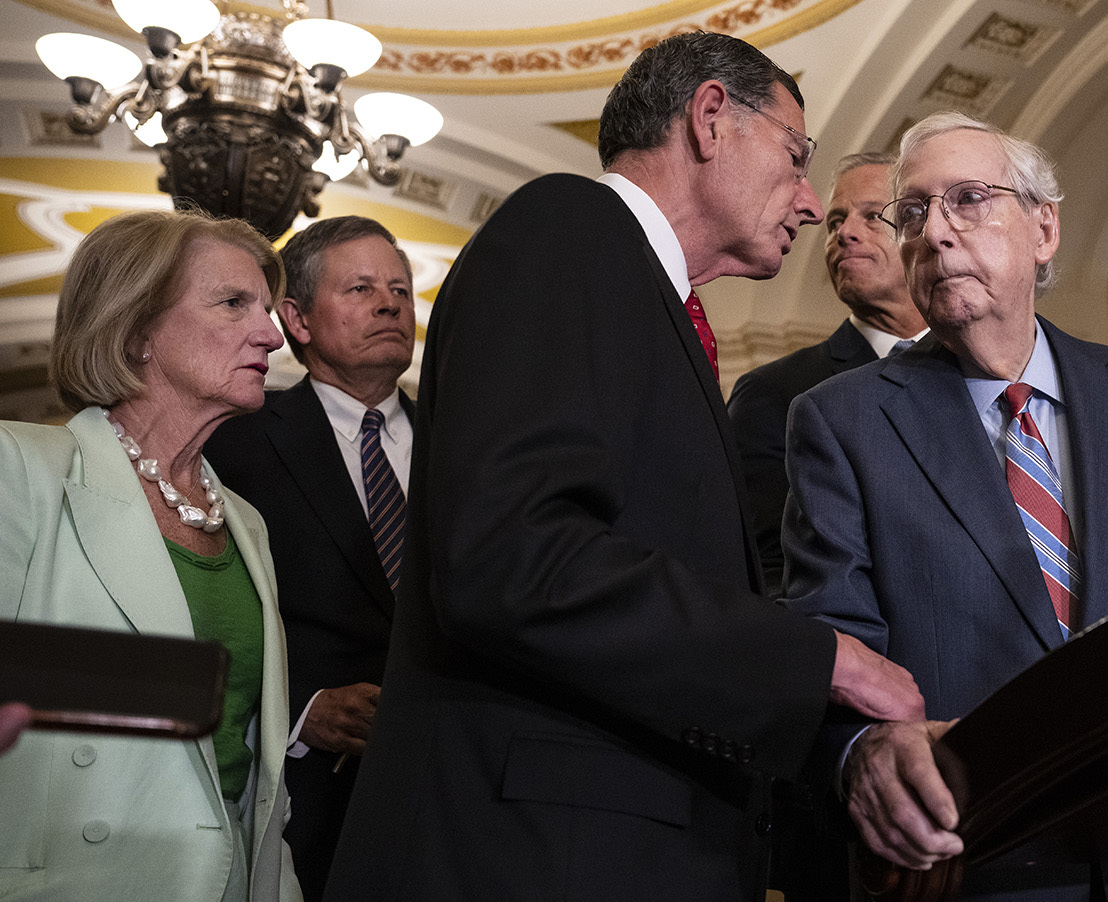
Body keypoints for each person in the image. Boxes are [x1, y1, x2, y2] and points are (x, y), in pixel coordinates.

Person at [323, 32, 924, 902]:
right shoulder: (568, 228)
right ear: (711, 117)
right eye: (797, 159)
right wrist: (816, 659)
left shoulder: (647, 294)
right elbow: (512, 555)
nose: (805, 201)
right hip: (535, 857)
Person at [782, 111, 1108, 900]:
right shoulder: (841, 421)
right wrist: (864, 755)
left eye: (969, 199)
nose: (937, 233)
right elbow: (833, 650)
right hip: (968, 860)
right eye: (914, 213)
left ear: (1043, 228)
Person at [0, 209, 301, 901]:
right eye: (233, 304)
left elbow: (252, 769)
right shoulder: (21, 470)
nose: (272, 333)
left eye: (265, 307)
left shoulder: (246, 523)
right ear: (136, 331)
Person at [206, 216, 416, 901]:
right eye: (360, 287)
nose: (390, 303)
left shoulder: (476, 446)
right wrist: (301, 712)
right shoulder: (233, 444)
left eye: (400, 289)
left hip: (458, 798)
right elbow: (206, 622)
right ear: (294, 317)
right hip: (309, 812)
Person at [728, 151, 927, 590]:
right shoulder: (773, 393)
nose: (845, 234)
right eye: (835, 222)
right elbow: (771, 569)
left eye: (873, 216)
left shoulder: (979, 370)